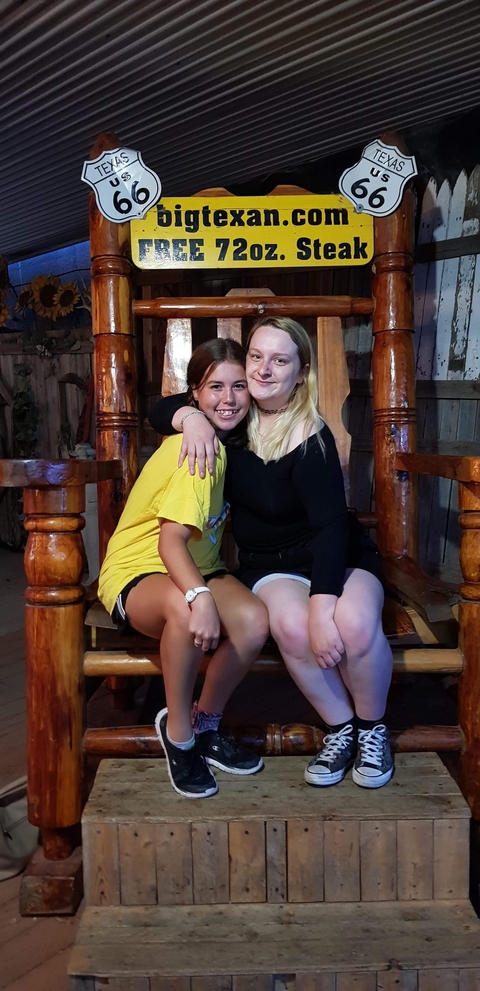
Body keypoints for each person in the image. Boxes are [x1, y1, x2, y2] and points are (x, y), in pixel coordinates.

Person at [149, 317, 394, 789]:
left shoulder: (311, 436)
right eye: (256, 357)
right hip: (270, 563)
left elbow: (329, 528)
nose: (263, 370)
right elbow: (161, 411)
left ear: (300, 373)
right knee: (288, 626)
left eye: (280, 360)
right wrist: (192, 417)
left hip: (336, 553)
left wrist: (323, 606)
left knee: (355, 625)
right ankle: (340, 729)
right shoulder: (231, 418)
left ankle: (372, 730)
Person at [98, 338, 269, 799]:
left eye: (238, 386)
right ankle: (179, 735)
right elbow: (168, 541)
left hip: (202, 564)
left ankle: (206, 723)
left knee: (254, 622)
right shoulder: (197, 451)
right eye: (215, 387)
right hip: (142, 568)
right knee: (185, 607)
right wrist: (202, 598)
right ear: (194, 393)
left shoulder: (229, 443)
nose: (228, 399)